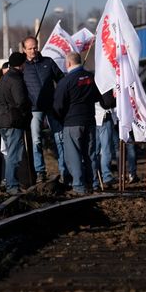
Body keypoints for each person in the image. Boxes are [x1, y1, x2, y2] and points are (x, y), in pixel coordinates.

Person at [53, 52, 100, 194]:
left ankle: (79, 186)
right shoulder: (91, 77)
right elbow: (97, 96)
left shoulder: (66, 81)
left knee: (74, 155)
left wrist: (60, 118)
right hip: (90, 120)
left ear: (68, 63)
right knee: (90, 154)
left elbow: (58, 105)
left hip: (72, 122)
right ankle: (93, 183)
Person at [22, 36, 63, 181]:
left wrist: (59, 98)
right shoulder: (23, 66)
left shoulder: (48, 62)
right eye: (30, 48)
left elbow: (61, 79)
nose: (33, 51)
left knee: (59, 139)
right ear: (24, 50)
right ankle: (40, 171)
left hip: (52, 106)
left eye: (35, 47)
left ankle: (64, 170)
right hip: (34, 109)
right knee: (36, 141)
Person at [0, 52, 32, 192]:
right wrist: (27, 113)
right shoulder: (16, 79)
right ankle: (12, 185)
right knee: (14, 154)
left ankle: (11, 183)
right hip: (14, 121)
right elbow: (20, 101)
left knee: (10, 154)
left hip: (4, 120)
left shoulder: (5, 78)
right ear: (21, 64)